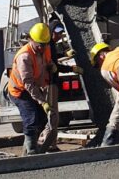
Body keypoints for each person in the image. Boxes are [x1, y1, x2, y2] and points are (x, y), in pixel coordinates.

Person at [8, 23, 56, 155]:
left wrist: (51, 65)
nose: (42, 47)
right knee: (31, 118)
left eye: (45, 44)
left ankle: (31, 145)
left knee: (42, 118)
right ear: (31, 40)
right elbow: (28, 83)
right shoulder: (24, 56)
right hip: (19, 91)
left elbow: (47, 61)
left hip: (33, 88)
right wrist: (42, 101)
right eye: (40, 44)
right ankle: (31, 151)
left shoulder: (44, 48)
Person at [39, 21, 82, 152]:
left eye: (60, 34)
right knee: (53, 116)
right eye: (57, 33)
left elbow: (53, 58)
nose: (59, 36)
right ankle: (48, 144)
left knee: (53, 116)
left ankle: (46, 141)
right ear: (51, 32)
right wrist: (71, 68)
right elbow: (54, 67)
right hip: (49, 83)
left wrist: (64, 54)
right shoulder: (47, 45)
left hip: (51, 82)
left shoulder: (50, 44)